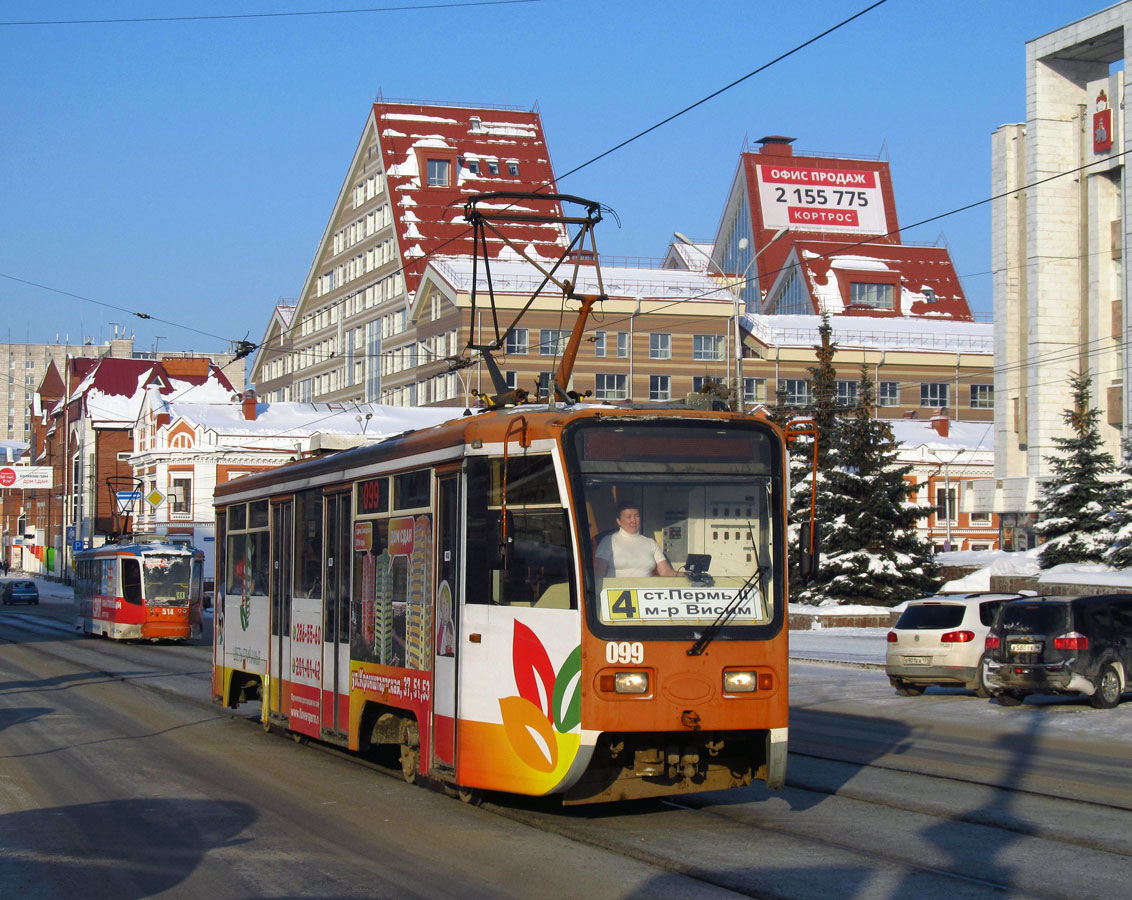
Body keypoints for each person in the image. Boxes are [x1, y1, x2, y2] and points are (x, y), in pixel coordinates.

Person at [594, 500, 677, 579]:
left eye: (636, 516)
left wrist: (685, 574)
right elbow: (598, 574)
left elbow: (665, 571)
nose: (633, 520)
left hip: (645, 591)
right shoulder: (608, 542)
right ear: (619, 521)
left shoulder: (650, 543)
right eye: (628, 517)